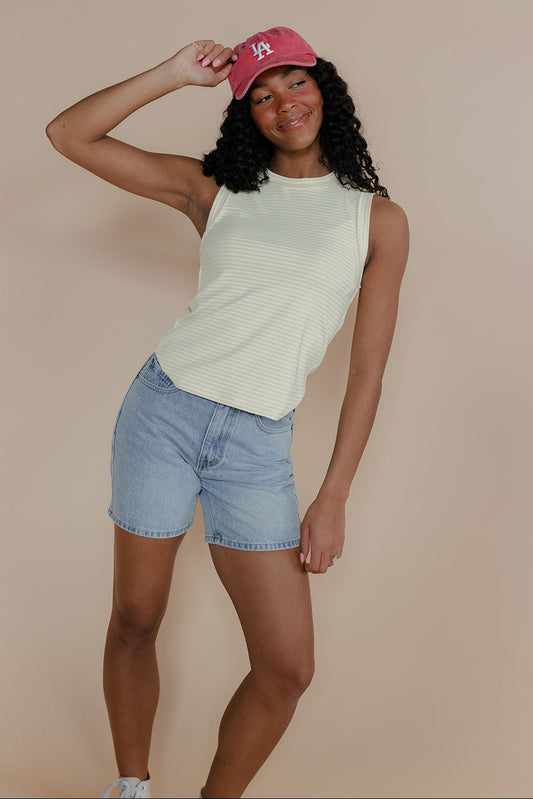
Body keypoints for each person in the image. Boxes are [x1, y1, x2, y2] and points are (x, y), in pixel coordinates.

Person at [46, 26, 409, 799]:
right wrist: (174, 73)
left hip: (256, 446)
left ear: (325, 89)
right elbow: (68, 134)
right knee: (137, 616)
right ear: (246, 113)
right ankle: (131, 785)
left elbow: (367, 370)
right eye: (263, 94)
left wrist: (333, 495)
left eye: (296, 82)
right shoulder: (215, 190)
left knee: (286, 666)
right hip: (165, 413)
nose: (285, 103)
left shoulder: (374, 220)